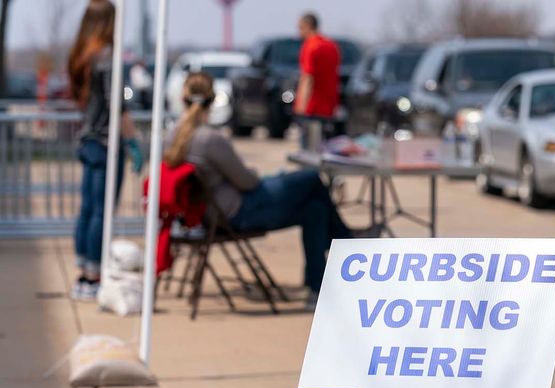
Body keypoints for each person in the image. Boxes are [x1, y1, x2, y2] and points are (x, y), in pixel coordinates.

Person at [166, 72, 374, 309]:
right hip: (239, 210)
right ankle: (345, 242)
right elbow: (246, 182)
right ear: (212, 100)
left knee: (315, 209)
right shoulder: (210, 139)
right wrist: (256, 174)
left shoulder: (173, 136)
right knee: (310, 178)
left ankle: (318, 286)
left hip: (210, 215)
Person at [67, 0, 143, 301]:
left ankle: (85, 272)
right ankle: (95, 274)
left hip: (88, 141)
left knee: (88, 209)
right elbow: (117, 105)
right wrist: (134, 141)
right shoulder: (107, 58)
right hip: (105, 143)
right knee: (100, 211)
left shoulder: (82, 56)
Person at [294, 12, 340, 147]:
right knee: (323, 148)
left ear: (308, 26)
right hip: (329, 106)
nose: (299, 33)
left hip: (311, 107)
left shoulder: (310, 47)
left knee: (308, 151)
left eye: (300, 28)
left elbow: (308, 77)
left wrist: (301, 106)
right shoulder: (332, 46)